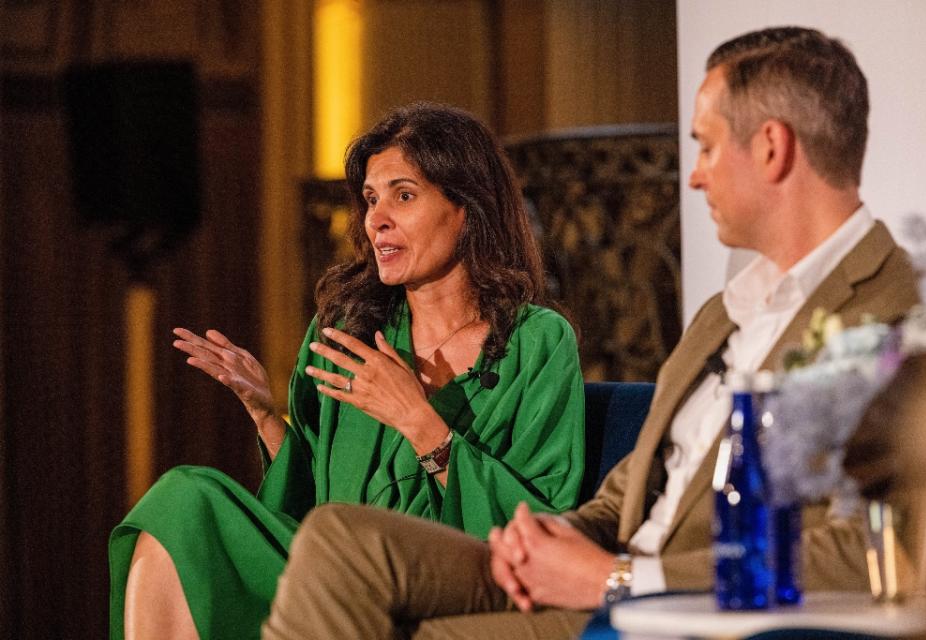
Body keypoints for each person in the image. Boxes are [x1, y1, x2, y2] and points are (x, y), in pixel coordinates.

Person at [261, 26, 921, 639]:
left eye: (707, 145)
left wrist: (617, 578)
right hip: (604, 566)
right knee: (339, 539)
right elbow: (642, 478)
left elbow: (871, 551)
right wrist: (552, 539)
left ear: (773, 148)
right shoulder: (727, 313)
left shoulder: (894, 315)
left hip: (658, 599)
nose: (693, 173)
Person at [108, 103, 586, 640]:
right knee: (182, 499)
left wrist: (420, 423)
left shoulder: (536, 341)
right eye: (371, 200)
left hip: (450, 585)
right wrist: (268, 418)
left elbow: (548, 523)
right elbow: (306, 508)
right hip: (328, 574)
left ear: (466, 208)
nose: (376, 219)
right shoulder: (345, 329)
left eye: (403, 196)